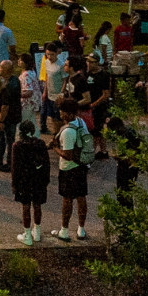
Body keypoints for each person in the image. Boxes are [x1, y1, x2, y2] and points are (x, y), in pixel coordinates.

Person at [50, 98, 90, 241]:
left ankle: (64, 230)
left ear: (68, 113)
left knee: (67, 200)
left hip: (69, 169)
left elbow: (67, 155)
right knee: (81, 197)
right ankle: (81, 229)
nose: (60, 113)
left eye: (62, 111)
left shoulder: (68, 132)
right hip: (82, 166)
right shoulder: (80, 122)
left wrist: (55, 148)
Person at [11, 120, 51, 247]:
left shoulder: (17, 146)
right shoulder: (41, 144)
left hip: (24, 181)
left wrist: (14, 184)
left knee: (26, 207)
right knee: (38, 205)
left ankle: (27, 235)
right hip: (39, 180)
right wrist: (46, 180)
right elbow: (47, 164)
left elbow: (15, 168)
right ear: (33, 131)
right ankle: (37, 231)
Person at [0, 60, 20, 171]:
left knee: (9, 139)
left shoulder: (8, 86)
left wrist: (1, 120)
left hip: (9, 117)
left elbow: (5, 106)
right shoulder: (14, 79)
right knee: (2, 137)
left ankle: (10, 163)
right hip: (14, 114)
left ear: (6, 70)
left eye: (0, 67)